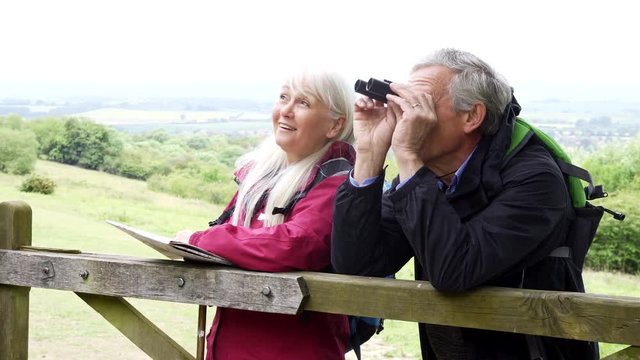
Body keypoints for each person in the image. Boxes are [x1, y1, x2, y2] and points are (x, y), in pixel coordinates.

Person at [331, 48, 597, 359]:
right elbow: (357, 265)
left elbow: (454, 271)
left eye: (421, 103)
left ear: (471, 116)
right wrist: (369, 153)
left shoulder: (535, 179)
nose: (407, 115)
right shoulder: (427, 177)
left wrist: (408, 155)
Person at [178, 70, 355, 360]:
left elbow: (295, 244)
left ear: (335, 125)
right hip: (230, 344)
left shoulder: (338, 182)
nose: (285, 110)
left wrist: (200, 240)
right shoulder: (260, 177)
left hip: (293, 350)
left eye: (303, 103)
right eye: (284, 97)